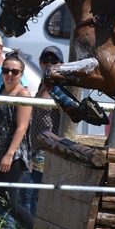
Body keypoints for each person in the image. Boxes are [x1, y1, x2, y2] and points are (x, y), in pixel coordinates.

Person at [0, 49, 34, 229]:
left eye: (14, 71)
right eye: (6, 70)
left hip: (14, 155)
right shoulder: (0, 91)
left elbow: (22, 127)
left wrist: (10, 154)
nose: (9, 75)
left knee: (9, 202)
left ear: (21, 74)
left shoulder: (23, 95)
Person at [28, 45, 65, 216]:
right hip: (35, 147)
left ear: (61, 63)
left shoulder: (63, 87)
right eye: (45, 60)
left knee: (34, 195)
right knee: (28, 194)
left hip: (50, 148)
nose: (49, 63)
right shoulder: (43, 83)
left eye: (54, 60)